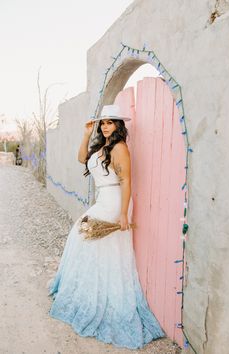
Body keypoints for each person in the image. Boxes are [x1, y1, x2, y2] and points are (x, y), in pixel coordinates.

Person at [48, 104, 166, 349]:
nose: (105, 126)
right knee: (82, 239)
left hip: (114, 202)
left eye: (109, 122)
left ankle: (103, 298)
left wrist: (123, 213)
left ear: (118, 125)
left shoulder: (120, 148)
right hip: (103, 198)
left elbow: (126, 181)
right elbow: (82, 158)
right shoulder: (101, 146)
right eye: (103, 122)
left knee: (91, 241)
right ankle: (87, 293)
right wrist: (86, 134)